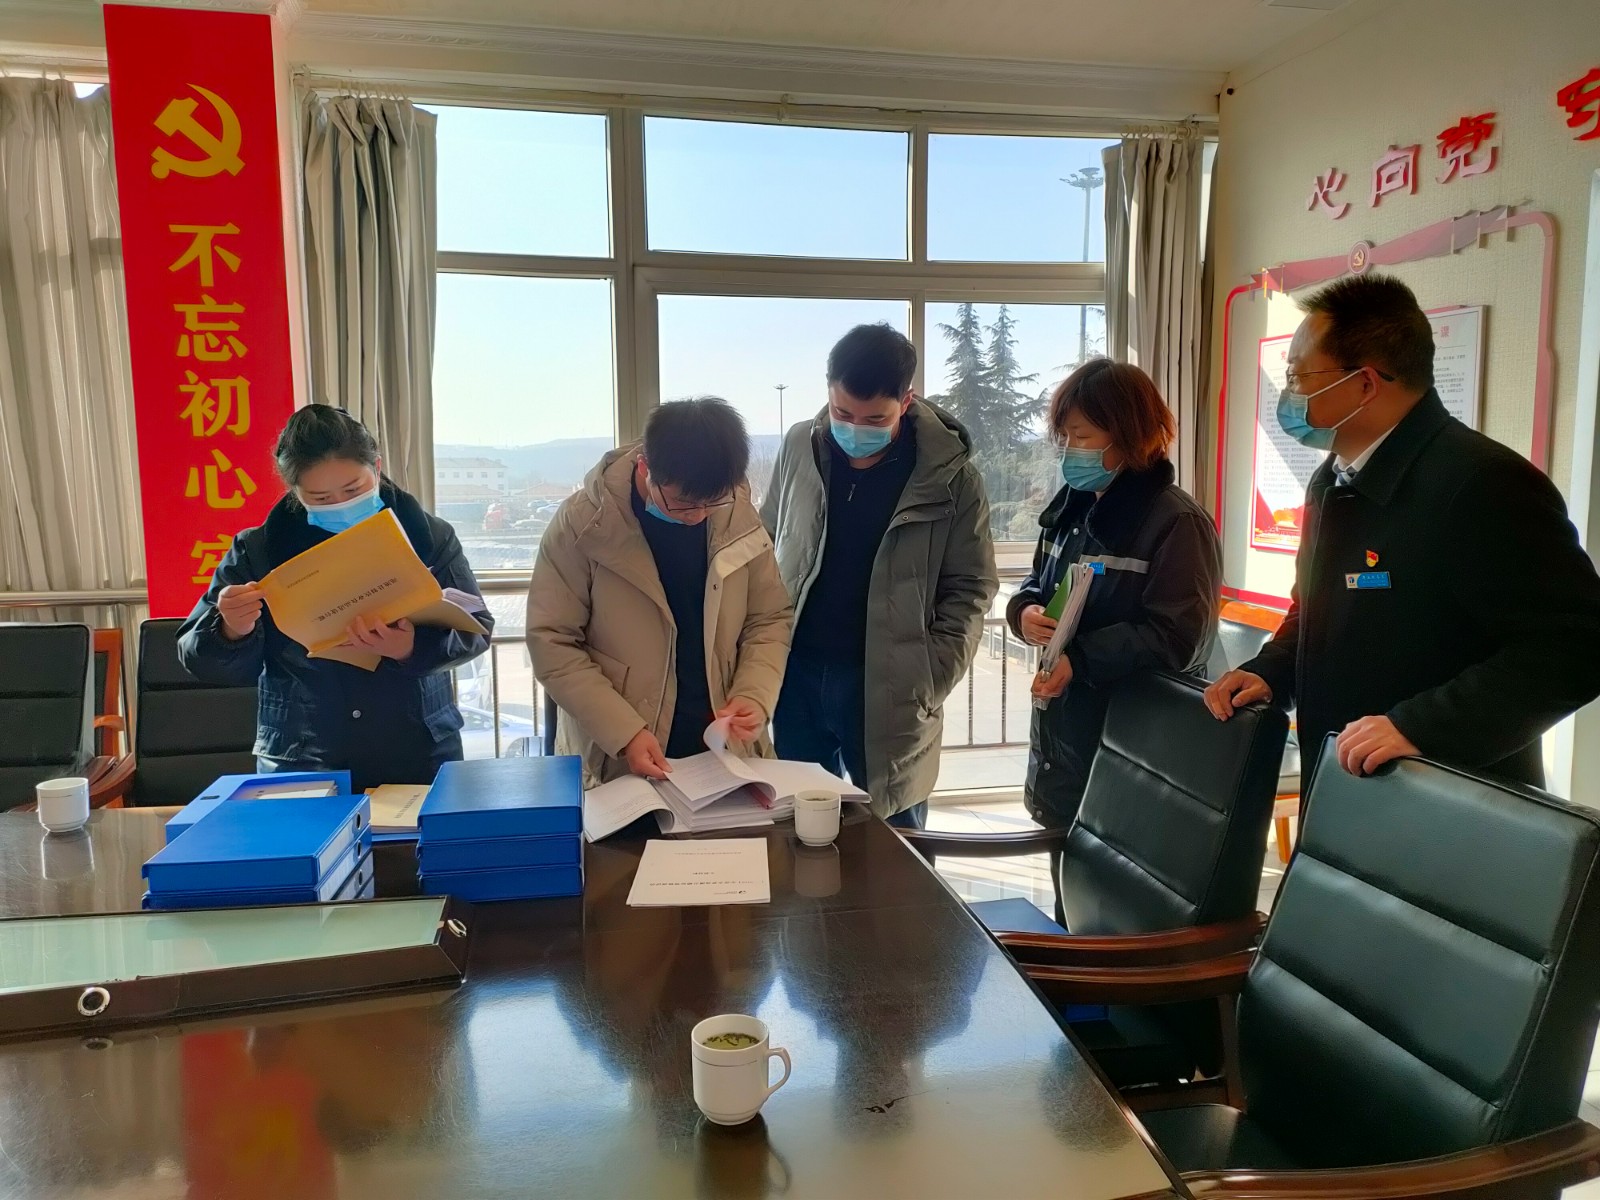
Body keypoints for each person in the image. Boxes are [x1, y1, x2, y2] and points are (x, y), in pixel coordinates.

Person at [1205, 273, 1600, 788]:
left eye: (1299, 377)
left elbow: (1576, 645)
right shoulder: (1333, 479)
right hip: (1343, 775)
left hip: (1443, 795)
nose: (1289, 394)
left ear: (1366, 384)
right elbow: (1315, 608)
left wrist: (1421, 726)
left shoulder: (1482, 482)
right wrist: (1270, 671)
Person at [178, 405, 492, 791]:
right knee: (308, 834)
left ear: (376, 468)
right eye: (321, 497)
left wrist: (411, 648)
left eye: (354, 490)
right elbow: (199, 659)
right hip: (303, 756)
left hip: (416, 749)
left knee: (412, 833)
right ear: (295, 492)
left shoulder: (429, 536)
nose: (341, 505)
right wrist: (230, 630)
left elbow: (476, 628)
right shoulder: (257, 551)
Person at [762, 323, 998, 828]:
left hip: (890, 686)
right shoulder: (800, 446)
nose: (854, 429)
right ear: (828, 390)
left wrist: (929, 677)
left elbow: (972, 587)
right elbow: (767, 543)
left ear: (906, 401)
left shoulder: (949, 476)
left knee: (897, 840)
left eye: (875, 419)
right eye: (842, 413)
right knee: (798, 831)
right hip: (797, 675)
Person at [527, 397, 791, 784]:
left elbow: (769, 618)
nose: (697, 515)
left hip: (723, 752)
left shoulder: (737, 514)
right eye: (682, 502)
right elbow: (552, 641)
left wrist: (753, 693)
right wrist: (624, 732)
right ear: (644, 467)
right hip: (619, 755)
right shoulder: (584, 525)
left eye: (711, 502)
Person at [1011, 358, 1222, 827]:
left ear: (1129, 435)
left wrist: (1080, 659)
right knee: (1063, 853)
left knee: (1114, 859)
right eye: (1063, 437)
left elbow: (1179, 638)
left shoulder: (1177, 522)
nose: (1069, 450)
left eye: (1082, 436)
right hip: (1064, 734)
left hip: (1135, 744)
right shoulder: (1069, 511)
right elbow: (1037, 582)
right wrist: (1024, 611)